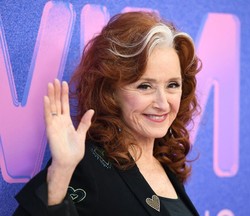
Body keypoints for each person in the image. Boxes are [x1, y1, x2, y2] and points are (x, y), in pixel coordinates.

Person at [13, 11, 201, 216]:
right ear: (111, 91)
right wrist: (61, 172)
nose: (163, 103)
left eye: (172, 85)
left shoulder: (166, 166)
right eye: (145, 86)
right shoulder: (85, 166)